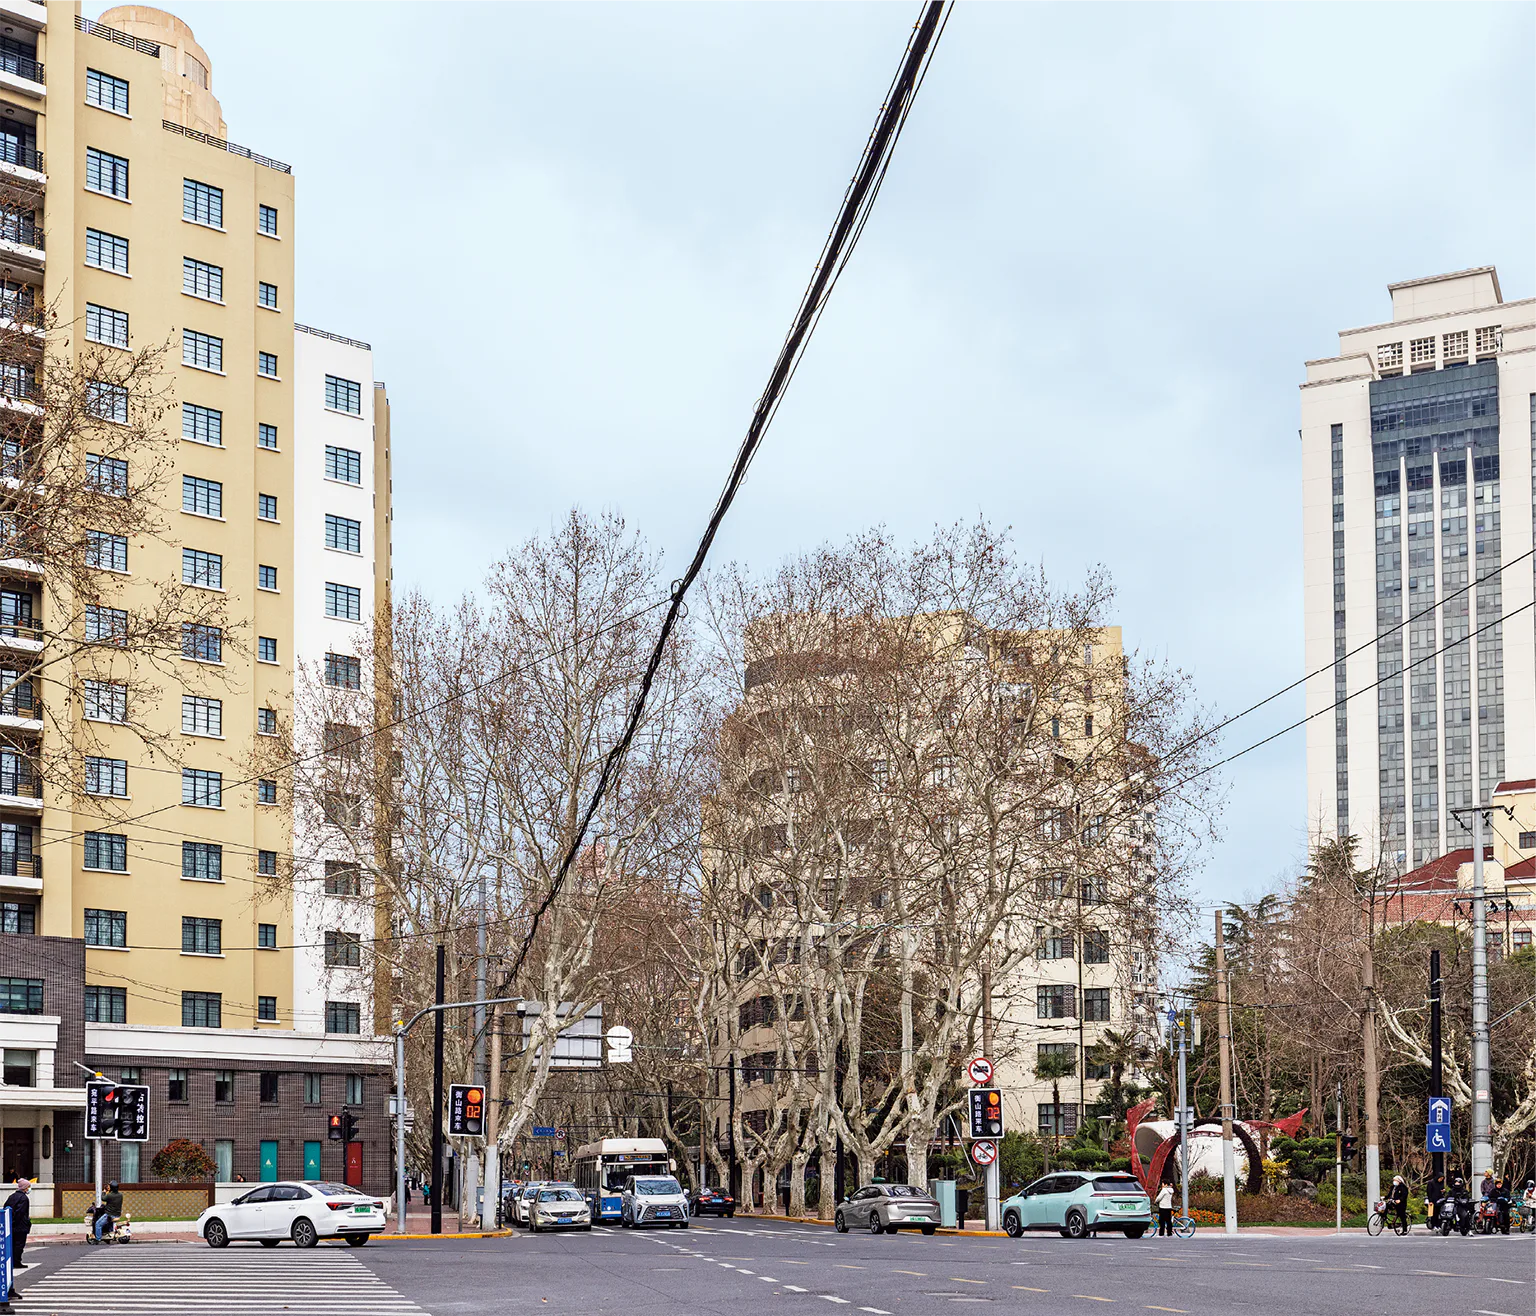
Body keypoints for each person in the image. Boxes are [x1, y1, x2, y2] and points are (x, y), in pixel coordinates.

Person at [5, 1177, 31, 1271]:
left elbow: (6, 1208)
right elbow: (20, 1213)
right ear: (25, 1188)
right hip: (20, 1226)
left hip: (11, 1225)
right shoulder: (24, 1198)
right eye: (28, 1187)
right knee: (19, 1244)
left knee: (13, 1244)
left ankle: (12, 1261)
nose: (29, 1189)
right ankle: (17, 1262)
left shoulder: (12, 1196)